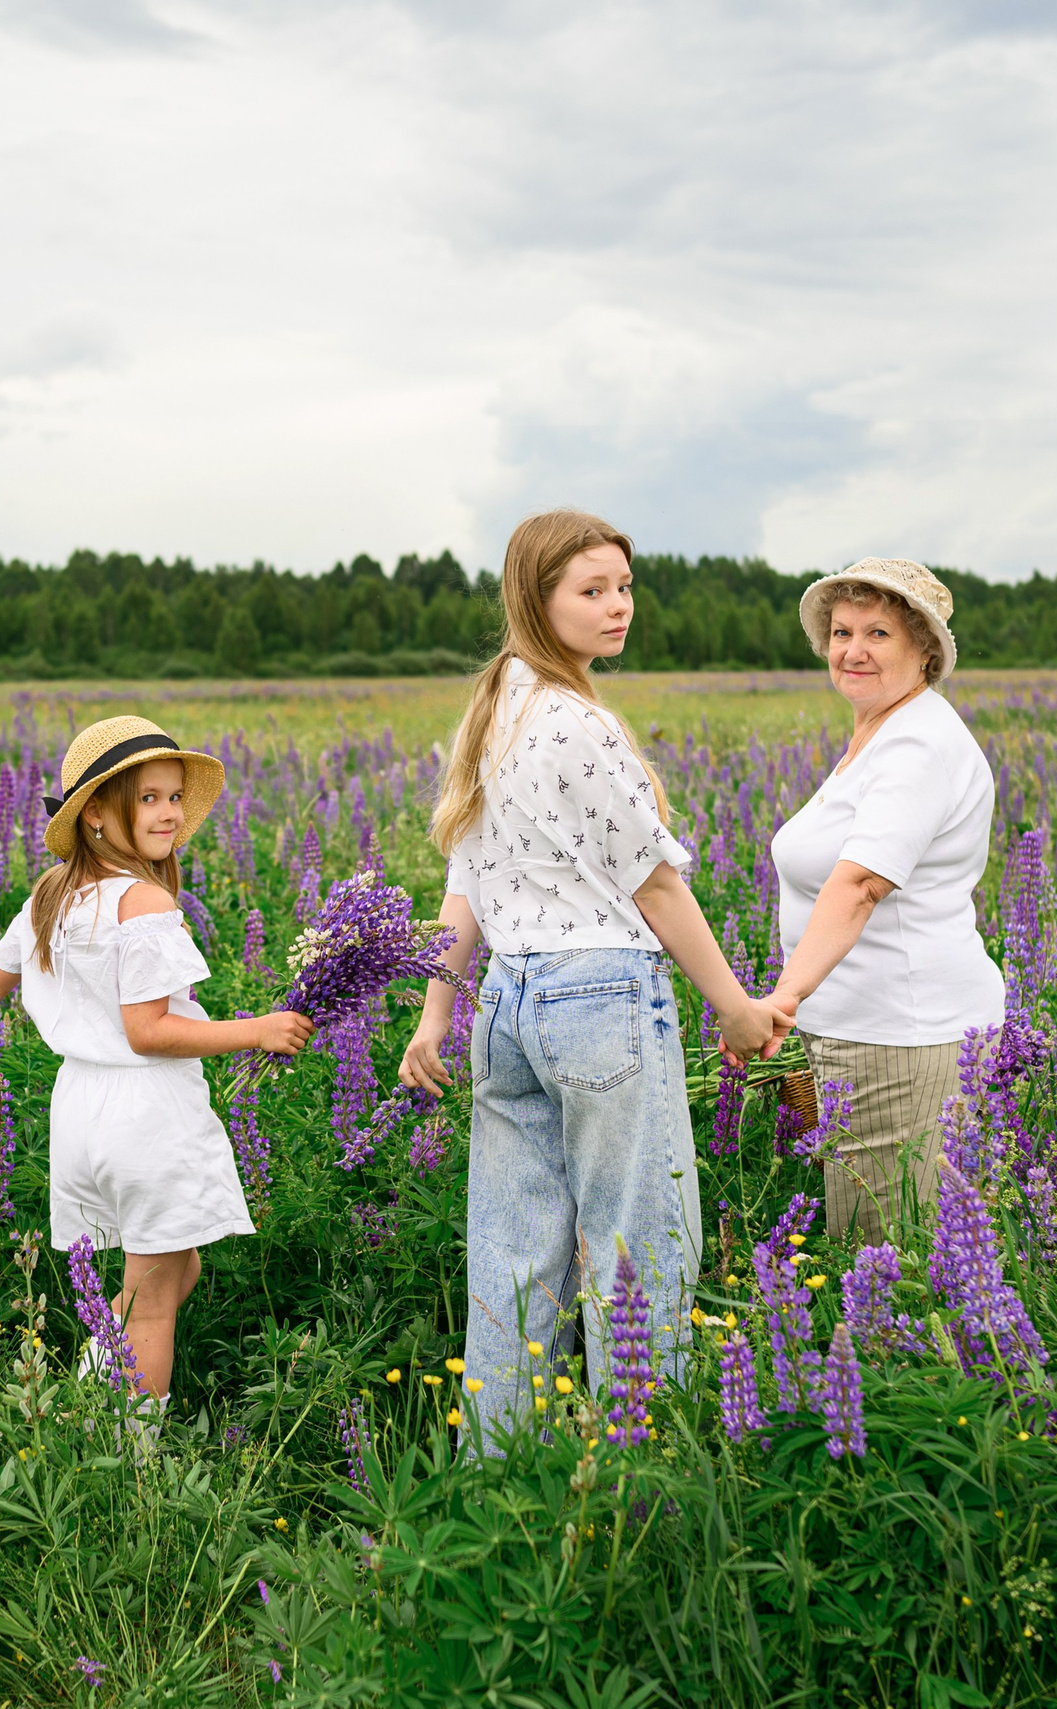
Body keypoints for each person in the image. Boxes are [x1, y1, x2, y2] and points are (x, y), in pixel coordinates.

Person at [398, 509, 782, 1443]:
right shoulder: (578, 722)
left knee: (512, 1254)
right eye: (592, 590)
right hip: (599, 994)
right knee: (638, 1245)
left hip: (509, 1002)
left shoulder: (497, 707)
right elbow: (654, 881)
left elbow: (467, 882)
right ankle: (636, 1470)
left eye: (624, 587)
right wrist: (734, 1006)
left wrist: (434, 1012)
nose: (618, 607)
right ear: (539, 600)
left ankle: (495, 1480)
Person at [0, 716, 312, 1412]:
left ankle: (86, 1404)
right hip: (145, 1116)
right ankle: (130, 1463)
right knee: (151, 1304)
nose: (166, 812)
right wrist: (258, 1030)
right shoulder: (146, 900)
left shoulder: (53, 894)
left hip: (81, 1116)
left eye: (171, 796)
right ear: (95, 813)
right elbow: (149, 1030)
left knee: (172, 1270)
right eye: (147, 798)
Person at [762, 557, 1005, 1241]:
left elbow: (863, 883)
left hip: (902, 1037)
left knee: (887, 1267)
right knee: (875, 1248)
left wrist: (782, 999)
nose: (853, 650)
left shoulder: (919, 744)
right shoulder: (879, 733)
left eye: (878, 633)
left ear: (925, 649)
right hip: (860, 1031)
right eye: (841, 632)